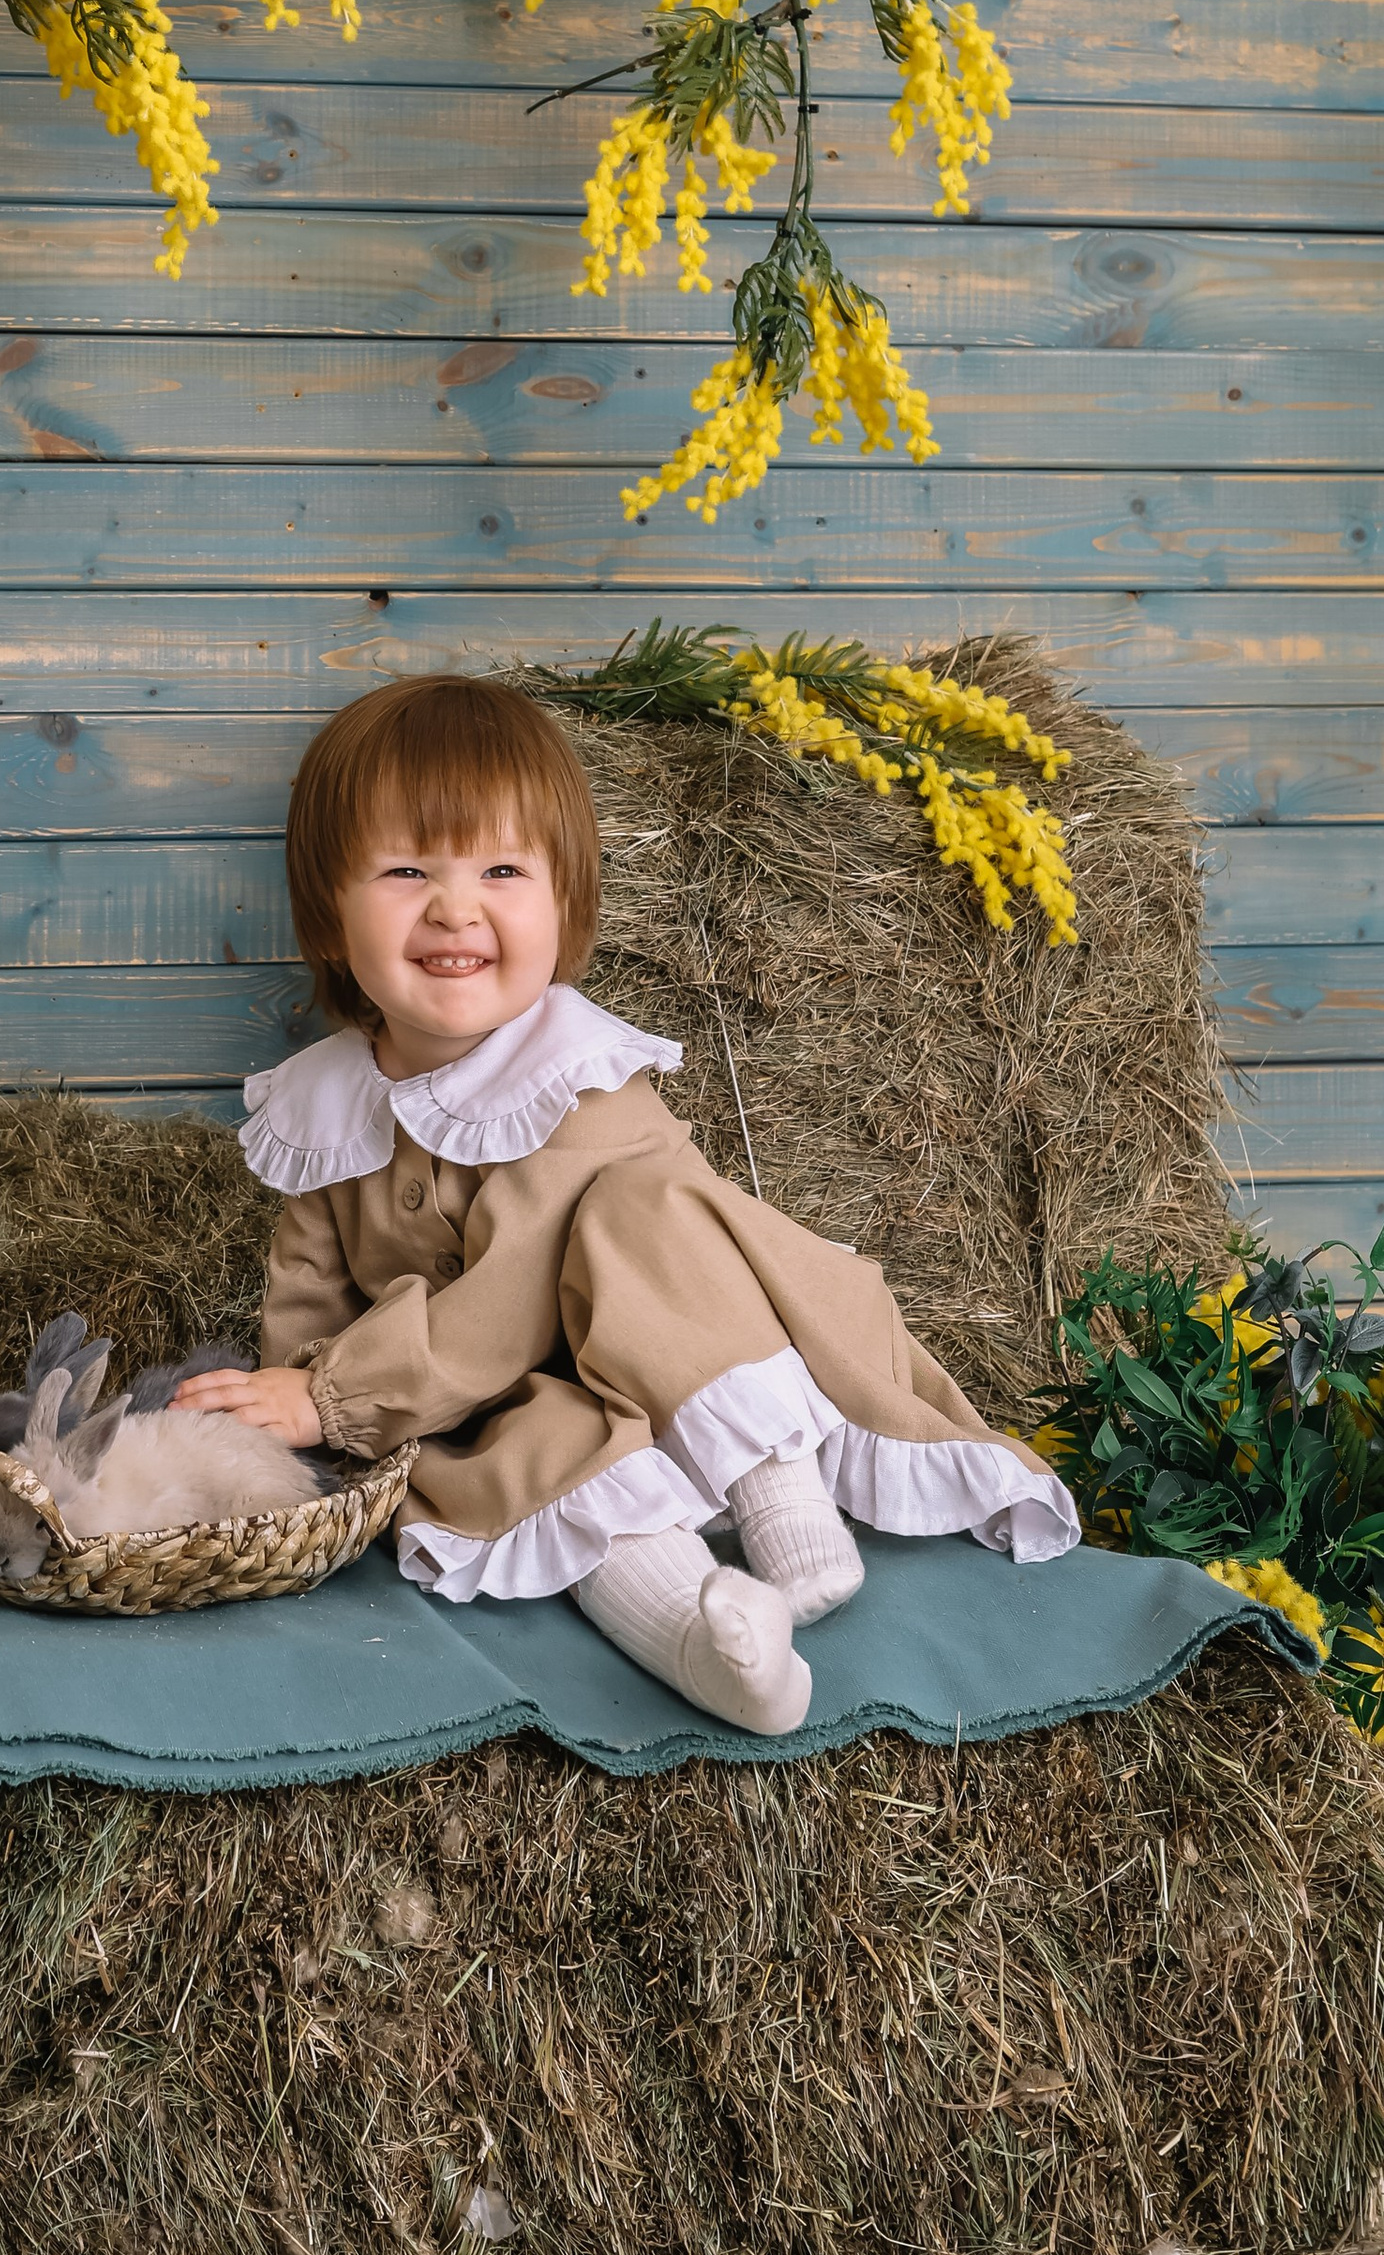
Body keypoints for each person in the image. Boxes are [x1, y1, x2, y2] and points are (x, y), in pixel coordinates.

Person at [175, 674, 1073, 1736]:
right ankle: (715, 1647)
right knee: (547, 1456)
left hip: (685, 1370)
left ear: (564, 904)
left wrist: (335, 1396)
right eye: (407, 870)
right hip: (507, 1405)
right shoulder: (324, 1108)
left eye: (502, 870)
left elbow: (510, 1301)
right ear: (331, 912)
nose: (454, 908)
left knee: (641, 1211)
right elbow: (308, 1299)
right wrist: (286, 1408)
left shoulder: (580, 1076)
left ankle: (791, 1524)